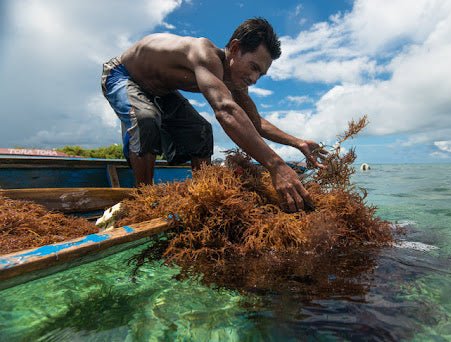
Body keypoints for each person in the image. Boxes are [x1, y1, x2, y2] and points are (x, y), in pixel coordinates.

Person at [101, 17, 326, 213]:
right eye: (254, 67)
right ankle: (144, 200)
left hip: (162, 91)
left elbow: (254, 123)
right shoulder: (204, 54)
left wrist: (297, 142)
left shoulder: (236, 82)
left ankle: (204, 196)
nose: (255, 78)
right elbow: (225, 111)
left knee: (201, 130)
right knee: (145, 118)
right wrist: (276, 166)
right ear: (235, 48)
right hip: (124, 75)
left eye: (261, 74)